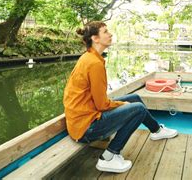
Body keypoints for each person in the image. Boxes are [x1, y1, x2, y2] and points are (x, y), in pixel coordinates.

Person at [63, 21, 178, 173]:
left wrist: (122, 104)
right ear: (95, 38)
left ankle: (156, 131)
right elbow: (102, 105)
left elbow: (99, 102)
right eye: (105, 32)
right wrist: (122, 105)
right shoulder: (94, 63)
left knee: (135, 98)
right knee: (138, 109)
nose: (110, 34)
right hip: (86, 128)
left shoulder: (90, 57)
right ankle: (109, 157)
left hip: (85, 117)